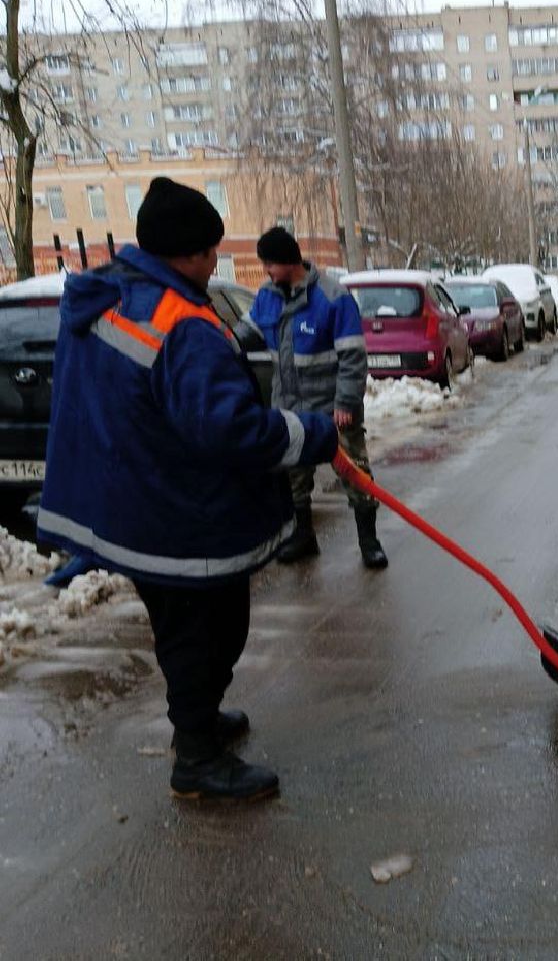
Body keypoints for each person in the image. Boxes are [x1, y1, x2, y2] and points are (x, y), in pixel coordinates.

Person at [37, 177, 340, 802]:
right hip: (171, 512)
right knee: (209, 628)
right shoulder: (181, 323)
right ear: (193, 254)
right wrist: (310, 434)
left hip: (133, 497)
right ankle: (196, 758)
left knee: (187, 626)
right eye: (210, 252)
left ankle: (196, 722)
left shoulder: (109, 295)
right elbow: (229, 428)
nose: (213, 264)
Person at [237, 226, 387, 569]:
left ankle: (369, 541)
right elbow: (246, 333)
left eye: (270, 265)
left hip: (333, 410)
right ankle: (303, 536)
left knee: (354, 473)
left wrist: (346, 403)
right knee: (293, 475)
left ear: (288, 262)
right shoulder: (267, 296)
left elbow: (353, 356)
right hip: (288, 407)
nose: (266, 272)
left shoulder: (333, 297)